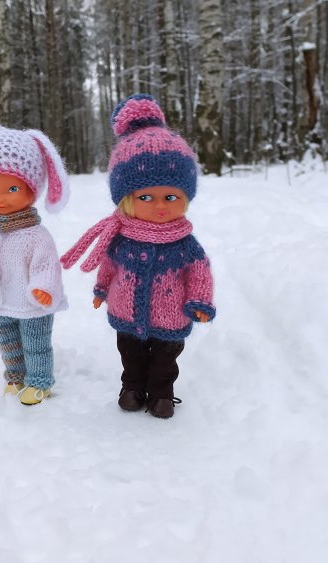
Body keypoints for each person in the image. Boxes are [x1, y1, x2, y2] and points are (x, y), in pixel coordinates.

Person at [61, 94, 215, 419]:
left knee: (164, 357)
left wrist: (199, 301)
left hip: (171, 314)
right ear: (127, 199)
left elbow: (199, 272)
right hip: (126, 310)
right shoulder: (121, 237)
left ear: (185, 198)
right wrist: (102, 289)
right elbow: (109, 264)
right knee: (130, 354)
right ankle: (131, 388)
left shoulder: (184, 243)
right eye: (146, 197)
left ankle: (161, 394)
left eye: (170, 197)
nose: (160, 206)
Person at [0, 124, 69, 405]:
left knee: (35, 343)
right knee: (7, 341)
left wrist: (43, 288)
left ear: (32, 189)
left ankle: (39, 381)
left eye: (12, 188)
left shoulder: (35, 235)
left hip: (32, 303)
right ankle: (15, 376)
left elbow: (47, 265)